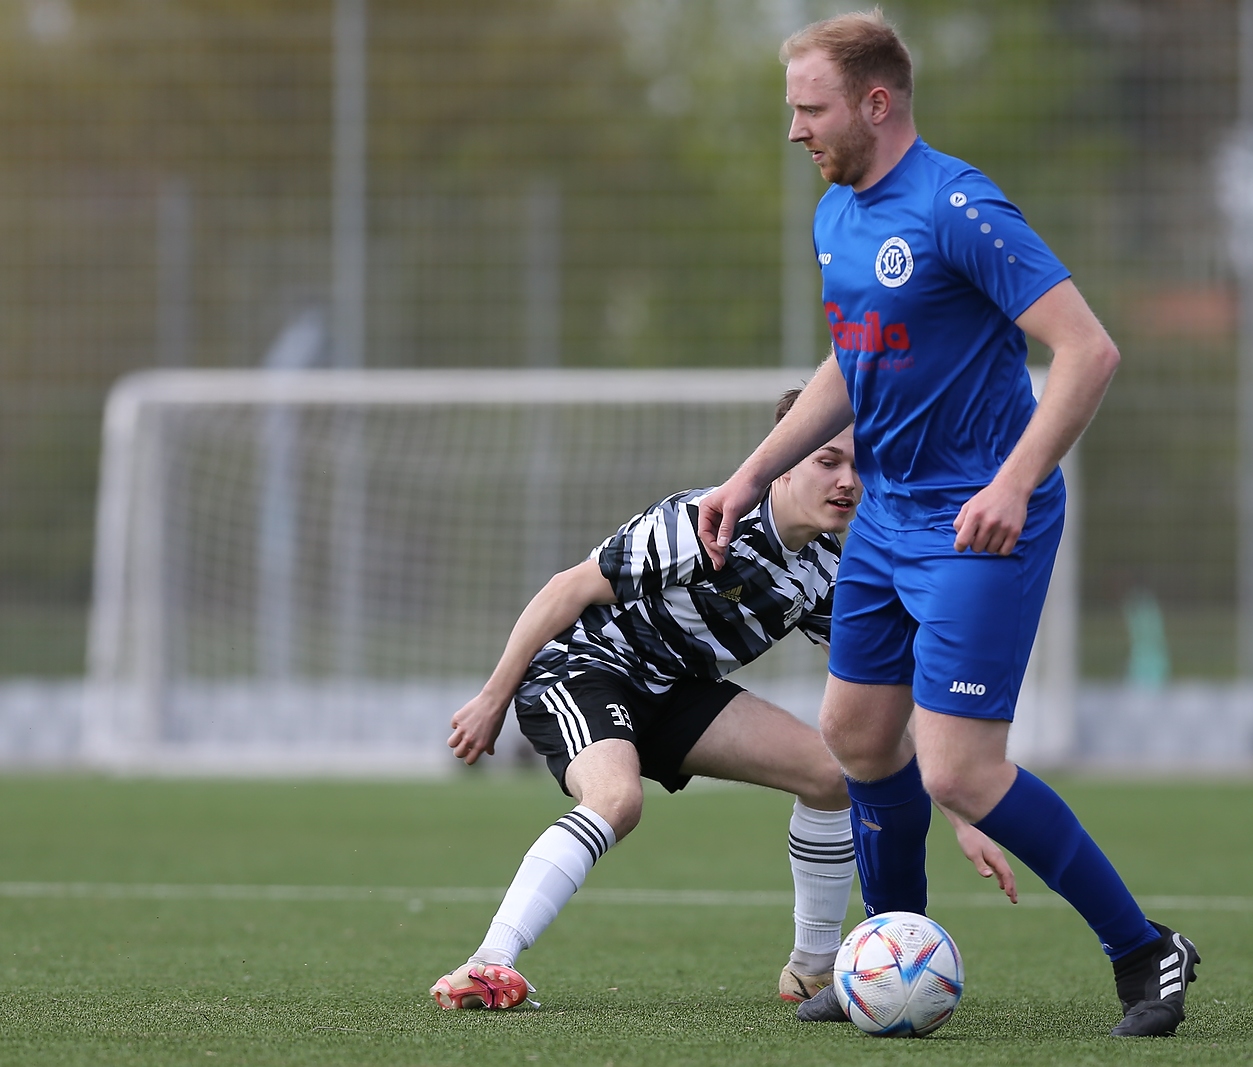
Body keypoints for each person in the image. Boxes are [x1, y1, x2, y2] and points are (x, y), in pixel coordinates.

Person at [696, 11, 1200, 1038]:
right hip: (889, 514)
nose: (794, 130)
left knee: (960, 765)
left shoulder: (957, 205)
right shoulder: (837, 216)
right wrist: (754, 471)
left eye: (811, 108)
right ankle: (891, 953)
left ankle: (1146, 947)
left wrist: (1015, 481)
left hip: (981, 523)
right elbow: (855, 359)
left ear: (876, 104)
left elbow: (1087, 349)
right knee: (855, 736)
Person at [431, 389, 1016, 1012]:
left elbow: (885, 708)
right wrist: (492, 697)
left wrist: (958, 809)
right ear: (784, 458)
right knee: (617, 800)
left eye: (861, 464)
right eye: (827, 460)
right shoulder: (701, 523)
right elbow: (566, 588)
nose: (848, 481)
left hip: (679, 692)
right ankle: (489, 963)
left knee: (830, 774)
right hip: (586, 669)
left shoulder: (828, 571)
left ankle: (813, 973)